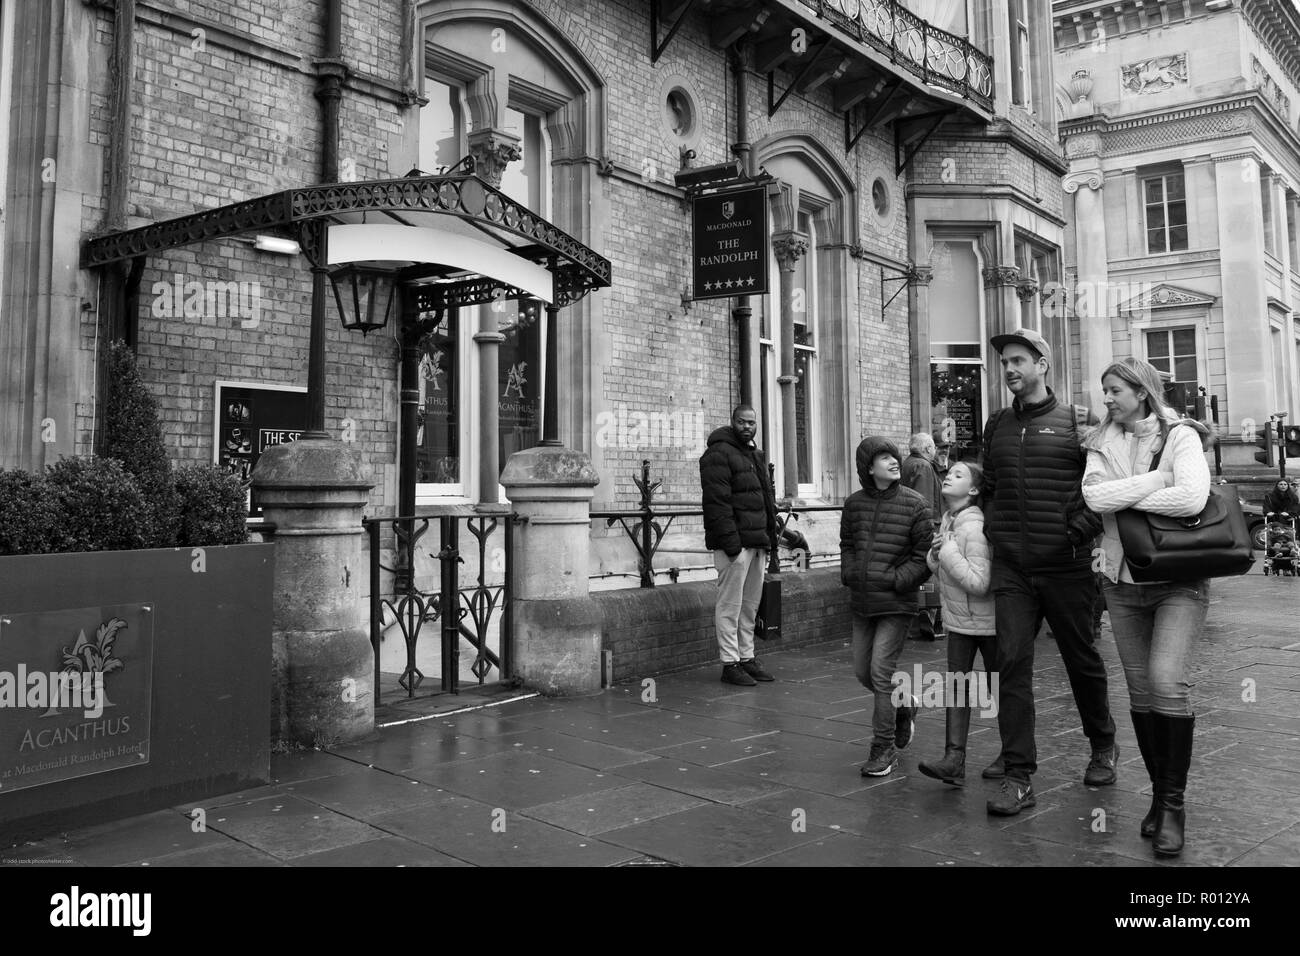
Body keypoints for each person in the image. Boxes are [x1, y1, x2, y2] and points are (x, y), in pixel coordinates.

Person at [979, 327, 1115, 817]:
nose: (1011, 369)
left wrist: (1074, 534)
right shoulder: (996, 424)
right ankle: (1019, 774)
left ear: (1043, 364)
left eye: (1019, 360)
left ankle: (1102, 744)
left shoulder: (1080, 420)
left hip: (1066, 567)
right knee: (1010, 664)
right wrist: (996, 531)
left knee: (1081, 661)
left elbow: (1104, 491)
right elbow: (989, 485)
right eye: (1006, 362)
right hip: (1013, 567)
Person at [1081, 358, 1212, 858]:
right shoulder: (1099, 441)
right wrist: (1157, 484)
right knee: (1139, 692)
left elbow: (1193, 497)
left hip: (1178, 581)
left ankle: (1174, 805)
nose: (1107, 399)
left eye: (1115, 390)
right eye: (1105, 391)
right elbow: (1093, 499)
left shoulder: (1180, 435)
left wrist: (1131, 495)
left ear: (1142, 390)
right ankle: (1159, 798)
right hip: (1122, 581)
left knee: (1166, 683)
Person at [840, 436, 933, 776]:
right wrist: (850, 573)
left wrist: (897, 580)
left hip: (896, 602)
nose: (894, 462)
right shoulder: (853, 505)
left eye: (894, 456)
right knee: (863, 672)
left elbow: (924, 557)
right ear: (868, 467)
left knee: (880, 672)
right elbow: (847, 544)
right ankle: (905, 703)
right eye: (884, 458)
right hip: (863, 601)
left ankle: (883, 749)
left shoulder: (916, 504)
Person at [917, 460, 995, 787]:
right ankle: (953, 759)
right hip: (961, 622)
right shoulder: (951, 521)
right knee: (958, 688)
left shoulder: (973, 528)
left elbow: (980, 582)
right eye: (949, 473)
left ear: (974, 490)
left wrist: (946, 551)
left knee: (1001, 690)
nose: (949, 475)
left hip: (990, 625)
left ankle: (1015, 755)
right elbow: (946, 570)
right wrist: (936, 555)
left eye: (958, 475)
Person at [700, 405, 778, 686]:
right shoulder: (717, 454)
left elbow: (766, 500)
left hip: (757, 543)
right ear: (732, 422)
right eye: (742, 422)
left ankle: (746, 657)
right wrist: (733, 547)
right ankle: (729, 663)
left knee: (750, 607)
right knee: (729, 607)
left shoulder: (754, 454)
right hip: (735, 547)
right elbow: (717, 504)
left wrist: (770, 541)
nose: (747, 426)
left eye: (752, 422)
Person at [902, 432, 945, 640]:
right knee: (927, 571)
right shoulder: (923, 466)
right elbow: (924, 502)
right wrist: (929, 531)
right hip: (924, 529)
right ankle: (925, 620)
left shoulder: (908, 463)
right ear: (928, 449)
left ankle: (922, 620)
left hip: (910, 529)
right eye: (934, 448)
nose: (936, 452)